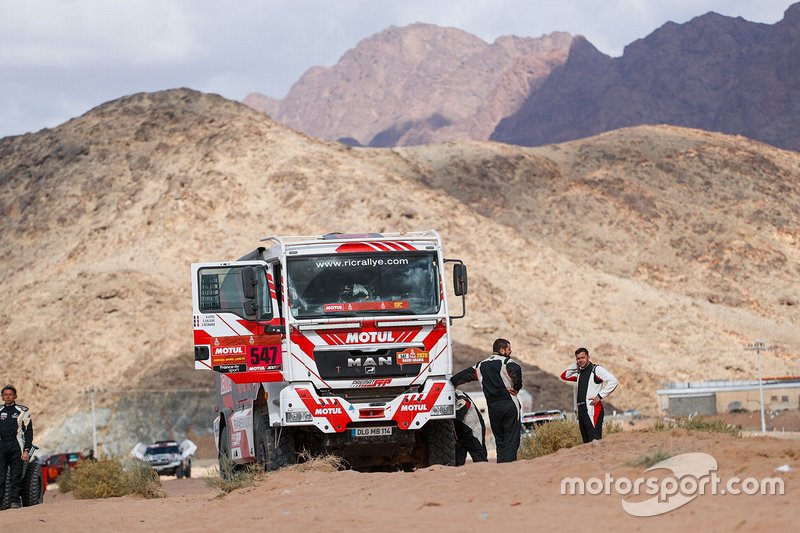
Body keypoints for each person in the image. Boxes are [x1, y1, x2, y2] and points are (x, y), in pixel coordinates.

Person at [451, 338, 523, 463]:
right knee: (511, 439)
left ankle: (501, 466)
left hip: (493, 408)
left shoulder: (479, 366)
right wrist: (517, 387)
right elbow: (516, 369)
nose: (511, 351)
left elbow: (459, 377)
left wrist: (453, 385)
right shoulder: (506, 362)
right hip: (509, 404)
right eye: (509, 349)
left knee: (499, 440)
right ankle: (509, 469)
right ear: (501, 350)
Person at [560, 347, 618, 443]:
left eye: (583, 357)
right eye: (578, 358)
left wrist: (599, 396)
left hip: (593, 410)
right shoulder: (579, 373)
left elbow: (613, 381)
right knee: (586, 444)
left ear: (588, 357)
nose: (580, 360)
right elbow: (564, 376)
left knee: (595, 442)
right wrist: (577, 365)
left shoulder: (596, 370)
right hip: (582, 412)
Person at [0, 385, 33, 509]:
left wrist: (26, 450)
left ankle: (15, 501)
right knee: (0, 477)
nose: (7, 396)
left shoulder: (22, 410)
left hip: (16, 447)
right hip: (1, 447)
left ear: (15, 396)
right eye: (5, 394)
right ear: (2, 397)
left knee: (16, 476)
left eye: (10, 394)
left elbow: (28, 431)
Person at [453, 390, 488, 466]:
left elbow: (460, 413)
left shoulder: (459, 396)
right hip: (458, 434)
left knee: (480, 459)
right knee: (456, 463)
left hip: (473, 431)